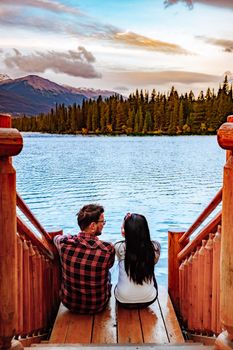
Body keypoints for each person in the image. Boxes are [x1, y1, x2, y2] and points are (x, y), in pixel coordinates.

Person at [51, 204, 115, 314]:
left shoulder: (63, 244)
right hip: (97, 305)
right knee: (108, 273)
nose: (104, 224)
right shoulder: (107, 249)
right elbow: (109, 265)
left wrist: (71, 237)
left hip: (69, 303)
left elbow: (56, 238)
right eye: (102, 222)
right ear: (93, 226)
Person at [114, 212, 160, 308]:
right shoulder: (155, 247)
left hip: (123, 300)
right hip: (149, 299)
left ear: (125, 232)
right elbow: (154, 262)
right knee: (150, 269)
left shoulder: (118, 247)